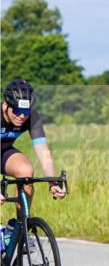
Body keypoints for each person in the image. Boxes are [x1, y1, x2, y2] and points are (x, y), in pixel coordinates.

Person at [1, 78, 67, 209]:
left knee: (26, 171)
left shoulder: (33, 118)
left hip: (3, 152)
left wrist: (53, 182)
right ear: (6, 105)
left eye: (25, 111)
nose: (21, 116)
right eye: (17, 111)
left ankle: (20, 226)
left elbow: (43, 152)